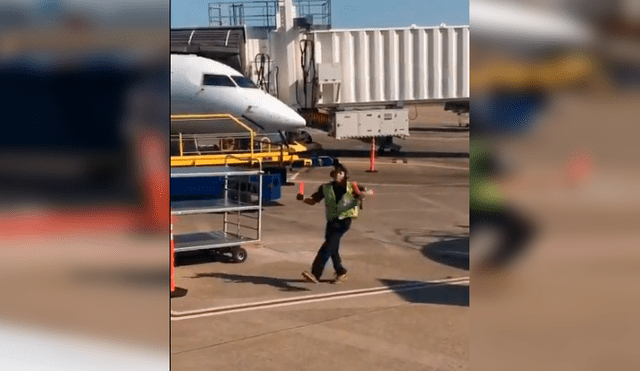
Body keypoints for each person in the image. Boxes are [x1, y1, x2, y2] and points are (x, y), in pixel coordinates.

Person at [301, 161, 374, 284]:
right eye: (336, 173)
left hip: (344, 222)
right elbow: (314, 200)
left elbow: (370, 192)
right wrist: (305, 200)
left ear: (345, 174)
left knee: (327, 246)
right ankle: (341, 272)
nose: (338, 175)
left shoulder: (352, 187)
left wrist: (363, 194)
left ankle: (315, 274)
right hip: (331, 221)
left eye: (340, 173)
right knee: (332, 247)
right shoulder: (326, 188)